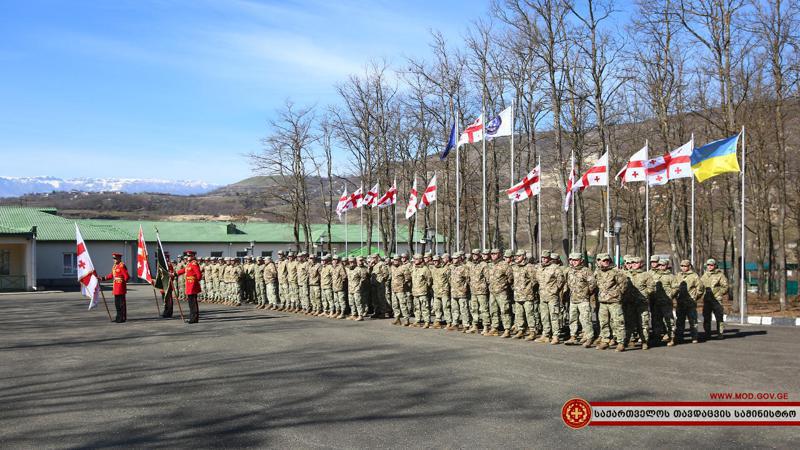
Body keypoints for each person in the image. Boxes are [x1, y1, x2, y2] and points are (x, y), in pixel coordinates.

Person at [594, 253, 628, 351]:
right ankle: (605, 340)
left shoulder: (616, 272)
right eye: (602, 260)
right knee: (603, 322)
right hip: (603, 302)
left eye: (606, 260)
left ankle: (621, 342)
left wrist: (617, 294)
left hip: (614, 301)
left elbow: (623, 285)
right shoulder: (597, 272)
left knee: (618, 322)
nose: (605, 262)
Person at [623, 256, 655, 349]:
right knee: (628, 322)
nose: (634, 265)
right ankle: (627, 340)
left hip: (641, 303)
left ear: (641, 264)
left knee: (643, 323)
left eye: (636, 263)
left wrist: (644, 294)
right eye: (632, 263)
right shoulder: (626, 274)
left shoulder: (646, 275)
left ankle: (644, 341)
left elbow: (651, 288)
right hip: (629, 302)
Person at [565, 252, 596, 347]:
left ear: (581, 261)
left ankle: (589, 337)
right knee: (572, 319)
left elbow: (593, 284)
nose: (573, 262)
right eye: (572, 260)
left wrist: (586, 292)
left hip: (583, 300)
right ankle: (573, 336)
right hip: (573, 299)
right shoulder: (569, 271)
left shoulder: (586, 271)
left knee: (585, 319)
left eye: (576, 260)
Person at [536, 251, 565, 344]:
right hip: (543, 295)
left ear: (549, 258)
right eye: (542, 258)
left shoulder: (555, 268)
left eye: (545, 258)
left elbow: (561, 280)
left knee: (554, 316)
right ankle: (546, 334)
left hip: (552, 296)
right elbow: (537, 280)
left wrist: (555, 289)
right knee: (544, 316)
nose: (544, 259)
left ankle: (555, 336)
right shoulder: (540, 268)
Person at [675, 259, 703, 344]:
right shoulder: (678, 275)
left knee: (693, 321)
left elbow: (700, 288)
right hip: (680, 302)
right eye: (682, 266)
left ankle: (694, 337)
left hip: (690, 303)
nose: (683, 268)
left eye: (685, 266)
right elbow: (674, 286)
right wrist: (676, 296)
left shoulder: (694, 276)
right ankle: (679, 337)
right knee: (680, 321)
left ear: (689, 266)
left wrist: (694, 297)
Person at [487, 249, 514, 337]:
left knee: (504, 310)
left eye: (495, 254)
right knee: (493, 311)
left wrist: (504, 286)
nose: (493, 255)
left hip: (502, 291)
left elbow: (510, 278)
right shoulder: (490, 265)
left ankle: (507, 329)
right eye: (492, 254)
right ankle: (494, 328)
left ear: (499, 254)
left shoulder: (504, 265)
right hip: (492, 292)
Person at [700, 258, 728, 340]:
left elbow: (725, 286)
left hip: (716, 300)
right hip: (707, 300)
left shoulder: (720, 275)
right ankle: (707, 333)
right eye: (708, 265)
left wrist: (719, 293)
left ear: (715, 265)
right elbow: (701, 286)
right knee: (706, 317)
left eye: (711, 265)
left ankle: (720, 333)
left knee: (719, 317)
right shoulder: (704, 275)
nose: (710, 266)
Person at [100, 252, 130, 323]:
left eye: (115, 258)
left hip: (120, 287)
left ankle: (122, 318)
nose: (114, 260)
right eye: (113, 258)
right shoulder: (114, 266)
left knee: (121, 304)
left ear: (119, 258)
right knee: (117, 304)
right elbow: (111, 275)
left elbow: (127, 276)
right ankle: (118, 317)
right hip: (116, 287)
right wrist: (103, 278)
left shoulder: (122, 266)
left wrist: (123, 282)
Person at [467, 249, 490, 334]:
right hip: (473, 290)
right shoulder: (471, 265)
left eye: (476, 254)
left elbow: (488, 278)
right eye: (473, 254)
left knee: (484, 309)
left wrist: (484, 287)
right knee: (474, 309)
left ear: (479, 255)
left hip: (481, 291)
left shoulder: (483, 265)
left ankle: (486, 327)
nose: (474, 256)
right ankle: (475, 326)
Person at [176, 250, 202, 323]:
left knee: (193, 303)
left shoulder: (194, 264)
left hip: (193, 285)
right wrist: (175, 273)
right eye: (188, 256)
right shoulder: (189, 264)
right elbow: (184, 270)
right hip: (189, 285)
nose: (188, 257)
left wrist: (194, 281)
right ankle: (192, 317)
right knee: (191, 303)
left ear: (193, 256)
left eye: (190, 256)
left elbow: (199, 275)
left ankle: (194, 319)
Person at [449, 252, 470, 331]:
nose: (454, 260)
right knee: (454, 309)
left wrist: (465, 288)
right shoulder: (451, 267)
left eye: (455, 258)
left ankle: (466, 325)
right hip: (454, 291)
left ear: (459, 259)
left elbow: (468, 279)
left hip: (461, 292)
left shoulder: (464, 268)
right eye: (453, 258)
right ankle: (455, 323)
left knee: (463, 309)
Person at [411, 253, 432, 327]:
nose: (414, 261)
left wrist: (425, 287)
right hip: (415, 291)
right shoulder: (414, 268)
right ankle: (417, 320)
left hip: (422, 291)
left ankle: (427, 321)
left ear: (420, 260)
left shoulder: (425, 269)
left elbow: (429, 280)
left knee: (424, 307)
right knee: (416, 307)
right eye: (414, 259)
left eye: (416, 259)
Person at [390, 255, 411, 326]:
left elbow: (408, 278)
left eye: (397, 260)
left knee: (403, 305)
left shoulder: (404, 268)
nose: (395, 261)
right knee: (395, 305)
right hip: (393, 289)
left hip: (401, 289)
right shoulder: (392, 267)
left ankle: (406, 319)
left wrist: (402, 284)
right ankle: (397, 318)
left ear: (400, 260)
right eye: (394, 260)